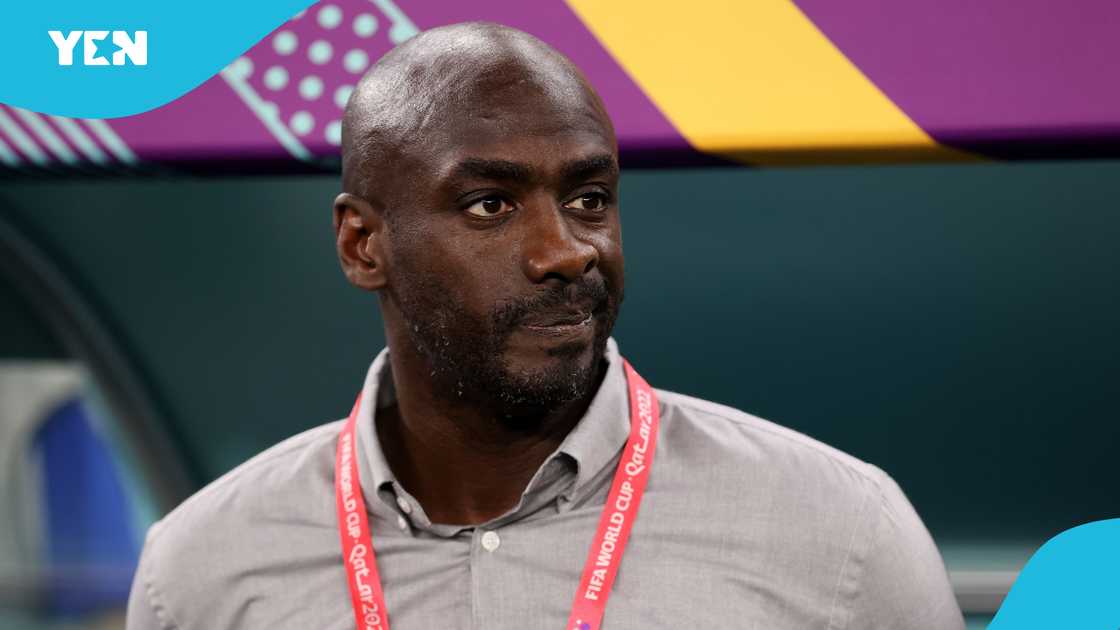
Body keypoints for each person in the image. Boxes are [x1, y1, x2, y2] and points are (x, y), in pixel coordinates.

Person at [126, 22, 964, 630]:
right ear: (362, 244)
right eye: (490, 205)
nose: (566, 252)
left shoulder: (843, 534)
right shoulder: (204, 569)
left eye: (588, 199)